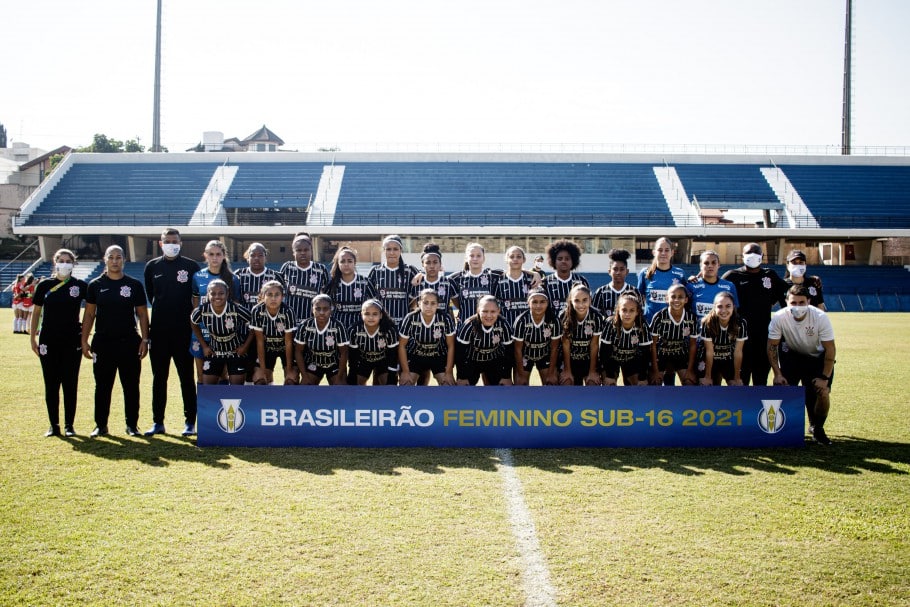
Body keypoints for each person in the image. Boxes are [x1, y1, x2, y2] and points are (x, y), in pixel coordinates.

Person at [81, 245, 149, 437]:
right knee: (102, 386)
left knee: (131, 385)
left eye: (118, 257)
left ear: (124, 260)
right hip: (103, 342)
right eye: (111, 257)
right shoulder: (95, 285)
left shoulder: (134, 285)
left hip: (129, 342)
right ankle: (100, 425)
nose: (115, 261)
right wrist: (84, 340)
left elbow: (142, 314)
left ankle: (132, 425)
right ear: (105, 259)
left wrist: (145, 339)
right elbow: (89, 314)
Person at [144, 228, 201, 436]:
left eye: (174, 240)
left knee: (186, 377)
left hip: (184, 332)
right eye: (167, 241)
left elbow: (196, 297)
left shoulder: (191, 266)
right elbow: (152, 297)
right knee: (159, 378)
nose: (171, 244)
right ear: (160, 244)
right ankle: (158, 422)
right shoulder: (152, 267)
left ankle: (190, 422)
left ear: (180, 242)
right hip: (159, 332)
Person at [768, 285, 837, 445]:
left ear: (809, 302)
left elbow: (830, 350)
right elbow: (772, 347)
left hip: (817, 358)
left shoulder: (820, 317)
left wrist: (825, 378)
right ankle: (782, 429)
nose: (797, 307)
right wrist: (777, 373)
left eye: (801, 303)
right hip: (793, 356)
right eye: (793, 303)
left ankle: (817, 428)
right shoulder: (779, 317)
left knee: (822, 393)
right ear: (786, 302)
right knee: (782, 389)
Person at [30, 249, 87, 437]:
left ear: (73, 263)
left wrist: (85, 336)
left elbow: (92, 309)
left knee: (70, 384)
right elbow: (36, 312)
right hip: (49, 340)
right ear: (55, 263)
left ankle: (69, 425)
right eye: (61, 260)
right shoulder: (44, 285)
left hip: (72, 340)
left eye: (68, 261)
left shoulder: (80, 286)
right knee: (51, 384)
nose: (64, 264)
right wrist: (32, 338)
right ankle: (53, 425)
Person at [722, 243, 788, 385]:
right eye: (749, 252)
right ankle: (742, 407)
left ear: (762, 256)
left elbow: (789, 290)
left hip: (764, 338)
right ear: (742, 256)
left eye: (756, 252)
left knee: (761, 380)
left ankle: (758, 407)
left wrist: (811, 280)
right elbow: (715, 290)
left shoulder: (769, 275)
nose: (752, 255)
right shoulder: (732, 276)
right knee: (741, 380)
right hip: (740, 338)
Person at [367, 235, 419, 384]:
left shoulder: (410, 271)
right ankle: (381, 401)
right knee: (381, 368)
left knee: (405, 367)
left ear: (401, 250)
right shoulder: (375, 272)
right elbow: (370, 301)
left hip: (403, 327)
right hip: (382, 328)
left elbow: (416, 299)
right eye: (388, 249)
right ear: (383, 251)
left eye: (395, 249)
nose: (392, 252)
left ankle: (404, 401)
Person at [191, 240, 240, 383]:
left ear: (224, 256)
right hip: (202, 333)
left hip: (223, 335)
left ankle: (220, 405)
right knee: (201, 375)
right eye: (211, 254)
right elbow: (195, 307)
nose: (214, 258)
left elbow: (235, 309)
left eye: (218, 254)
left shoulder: (232, 278)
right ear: (205, 255)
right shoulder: (197, 276)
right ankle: (202, 405)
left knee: (222, 375)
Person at [190, 280, 254, 386]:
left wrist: (245, 347)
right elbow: (193, 322)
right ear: (208, 294)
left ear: (227, 293)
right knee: (208, 388)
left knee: (236, 389)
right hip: (215, 352)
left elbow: (254, 326)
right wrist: (204, 346)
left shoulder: (236, 309)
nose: (217, 296)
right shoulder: (202, 310)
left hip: (235, 353)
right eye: (213, 293)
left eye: (221, 293)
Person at [398, 288, 457, 386]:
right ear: (419, 303)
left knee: (448, 385)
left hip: (438, 356)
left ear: (438, 305)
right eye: (425, 303)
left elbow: (451, 346)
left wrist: (449, 372)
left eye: (433, 303)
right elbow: (402, 345)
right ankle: (408, 402)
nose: (429, 306)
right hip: (415, 356)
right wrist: (405, 371)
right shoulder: (410, 318)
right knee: (406, 384)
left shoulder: (445, 318)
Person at [455, 295, 514, 386]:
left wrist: (506, 376)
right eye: (485, 311)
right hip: (471, 362)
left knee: (503, 389)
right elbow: (460, 353)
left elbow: (509, 351)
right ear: (478, 310)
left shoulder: (503, 324)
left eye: (493, 311)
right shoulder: (469, 325)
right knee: (463, 389)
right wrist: (462, 376)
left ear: (498, 311)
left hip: (493, 361)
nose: (489, 315)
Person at [249, 280, 297, 385]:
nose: (273, 298)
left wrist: (289, 370)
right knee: (260, 379)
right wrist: (262, 370)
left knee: (291, 380)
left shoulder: (288, 311)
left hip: (285, 348)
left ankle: (288, 400)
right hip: (267, 348)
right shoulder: (257, 311)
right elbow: (260, 341)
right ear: (262, 296)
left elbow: (288, 342)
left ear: (282, 296)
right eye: (269, 295)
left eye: (277, 295)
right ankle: (269, 396)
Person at [294, 294, 349, 385]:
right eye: (318, 309)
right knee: (304, 388)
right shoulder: (305, 325)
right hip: (313, 363)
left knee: (340, 388)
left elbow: (344, 353)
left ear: (331, 310)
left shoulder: (338, 326)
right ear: (312, 310)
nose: (322, 312)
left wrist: (339, 377)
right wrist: (304, 376)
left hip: (333, 364)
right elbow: (298, 351)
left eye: (325, 309)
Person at [649, 283, 698, 385]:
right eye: (673, 296)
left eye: (680, 297)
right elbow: (652, 345)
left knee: (690, 382)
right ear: (667, 298)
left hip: (681, 354)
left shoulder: (691, 318)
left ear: (686, 300)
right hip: (661, 354)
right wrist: (655, 370)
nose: (676, 300)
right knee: (655, 382)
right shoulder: (659, 316)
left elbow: (693, 345)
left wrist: (690, 370)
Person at [600, 293, 654, 386]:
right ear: (618, 311)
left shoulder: (642, 325)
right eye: (624, 310)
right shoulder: (610, 324)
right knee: (609, 384)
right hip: (612, 360)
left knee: (639, 385)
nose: (627, 314)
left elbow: (645, 353)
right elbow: (604, 351)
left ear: (637, 312)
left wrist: (642, 377)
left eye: (632, 310)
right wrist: (609, 374)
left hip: (631, 359)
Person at [512, 288, 562, 386]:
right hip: (525, 356)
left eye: (542, 302)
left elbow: (554, 348)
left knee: (551, 382)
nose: (538, 306)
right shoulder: (521, 321)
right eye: (534, 302)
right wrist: (521, 375)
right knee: (520, 384)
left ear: (547, 303)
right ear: (528, 303)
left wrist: (551, 373)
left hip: (545, 355)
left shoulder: (554, 321)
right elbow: (517, 349)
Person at [559, 284, 605, 386]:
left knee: (592, 383)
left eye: (584, 300)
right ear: (571, 300)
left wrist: (592, 371)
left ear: (590, 300)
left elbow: (594, 345)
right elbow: (565, 345)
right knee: (567, 382)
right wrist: (567, 370)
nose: (581, 304)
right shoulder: (563, 316)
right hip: (569, 360)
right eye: (577, 300)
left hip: (588, 360)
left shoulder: (596, 317)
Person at [699, 291, 747, 386]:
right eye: (720, 306)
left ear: (733, 306)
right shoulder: (707, 323)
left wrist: (737, 378)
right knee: (706, 384)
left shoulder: (741, 323)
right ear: (714, 308)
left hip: (729, 358)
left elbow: (738, 351)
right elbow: (709, 351)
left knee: (736, 385)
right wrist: (707, 377)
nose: (724, 310)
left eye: (728, 306)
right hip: (708, 358)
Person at [280, 232, 330, 324]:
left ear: (311, 250)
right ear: (293, 252)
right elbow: (279, 292)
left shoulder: (321, 269)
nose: (303, 253)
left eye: (306, 250)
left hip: (312, 322)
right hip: (289, 321)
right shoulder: (287, 267)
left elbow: (327, 294)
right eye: (299, 250)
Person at [347, 299, 400, 385]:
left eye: (375, 314)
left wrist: (392, 377)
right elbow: (353, 357)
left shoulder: (389, 330)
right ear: (361, 314)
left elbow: (393, 356)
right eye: (367, 314)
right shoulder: (354, 330)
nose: (371, 317)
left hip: (383, 361)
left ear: (381, 315)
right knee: (354, 384)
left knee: (388, 385)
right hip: (364, 361)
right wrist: (352, 375)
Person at [326, 246, 378, 331]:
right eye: (342, 261)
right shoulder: (332, 284)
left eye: (349, 261)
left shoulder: (365, 282)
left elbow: (375, 305)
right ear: (338, 264)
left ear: (355, 263)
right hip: (337, 329)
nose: (346, 264)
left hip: (360, 329)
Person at [637, 237, 686, 325]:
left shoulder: (680, 274)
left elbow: (685, 298)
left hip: (672, 324)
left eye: (667, 250)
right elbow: (639, 299)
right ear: (654, 252)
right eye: (660, 250)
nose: (663, 253)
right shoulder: (645, 273)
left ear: (672, 253)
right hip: (650, 323)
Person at [448, 242, 500, 323]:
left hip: (487, 328)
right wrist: (421, 276)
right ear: (466, 258)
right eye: (471, 256)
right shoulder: (456, 278)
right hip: (464, 326)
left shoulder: (493, 276)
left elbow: (514, 271)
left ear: (484, 258)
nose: (475, 258)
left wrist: (526, 271)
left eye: (478, 256)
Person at [689, 250, 739, 323]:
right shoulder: (691, 285)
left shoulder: (729, 286)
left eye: (713, 262)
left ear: (718, 265)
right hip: (698, 332)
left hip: (722, 332)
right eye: (706, 263)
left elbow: (734, 311)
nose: (710, 266)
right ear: (700, 265)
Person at [494, 245, 537, 328]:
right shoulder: (498, 280)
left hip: (528, 327)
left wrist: (536, 274)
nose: (515, 259)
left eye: (519, 256)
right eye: (511, 257)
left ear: (524, 259)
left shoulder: (532, 279)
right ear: (506, 259)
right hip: (506, 327)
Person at [542, 239, 588, 317]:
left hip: (576, 327)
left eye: (567, 259)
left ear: (573, 260)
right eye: (560, 259)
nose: (563, 261)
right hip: (553, 327)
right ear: (553, 261)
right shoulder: (545, 282)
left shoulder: (581, 281)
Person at [234, 242, 285, 308]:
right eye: (253, 255)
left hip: (266, 318)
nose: (256, 258)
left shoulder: (276, 276)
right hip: (243, 317)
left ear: (265, 257)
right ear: (247, 258)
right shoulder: (238, 275)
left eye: (260, 255)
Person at [592, 248, 639, 319]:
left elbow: (639, 315)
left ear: (627, 271)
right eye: (615, 269)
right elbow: (594, 316)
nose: (618, 273)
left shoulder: (634, 292)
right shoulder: (601, 292)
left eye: (622, 269)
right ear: (609, 271)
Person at [411, 242, 455, 312]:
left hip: (443, 322)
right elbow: (411, 307)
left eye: (435, 262)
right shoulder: (417, 283)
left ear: (440, 264)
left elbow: (458, 305)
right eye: (428, 262)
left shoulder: (449, 282)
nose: (432, 266)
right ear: (423, 264)